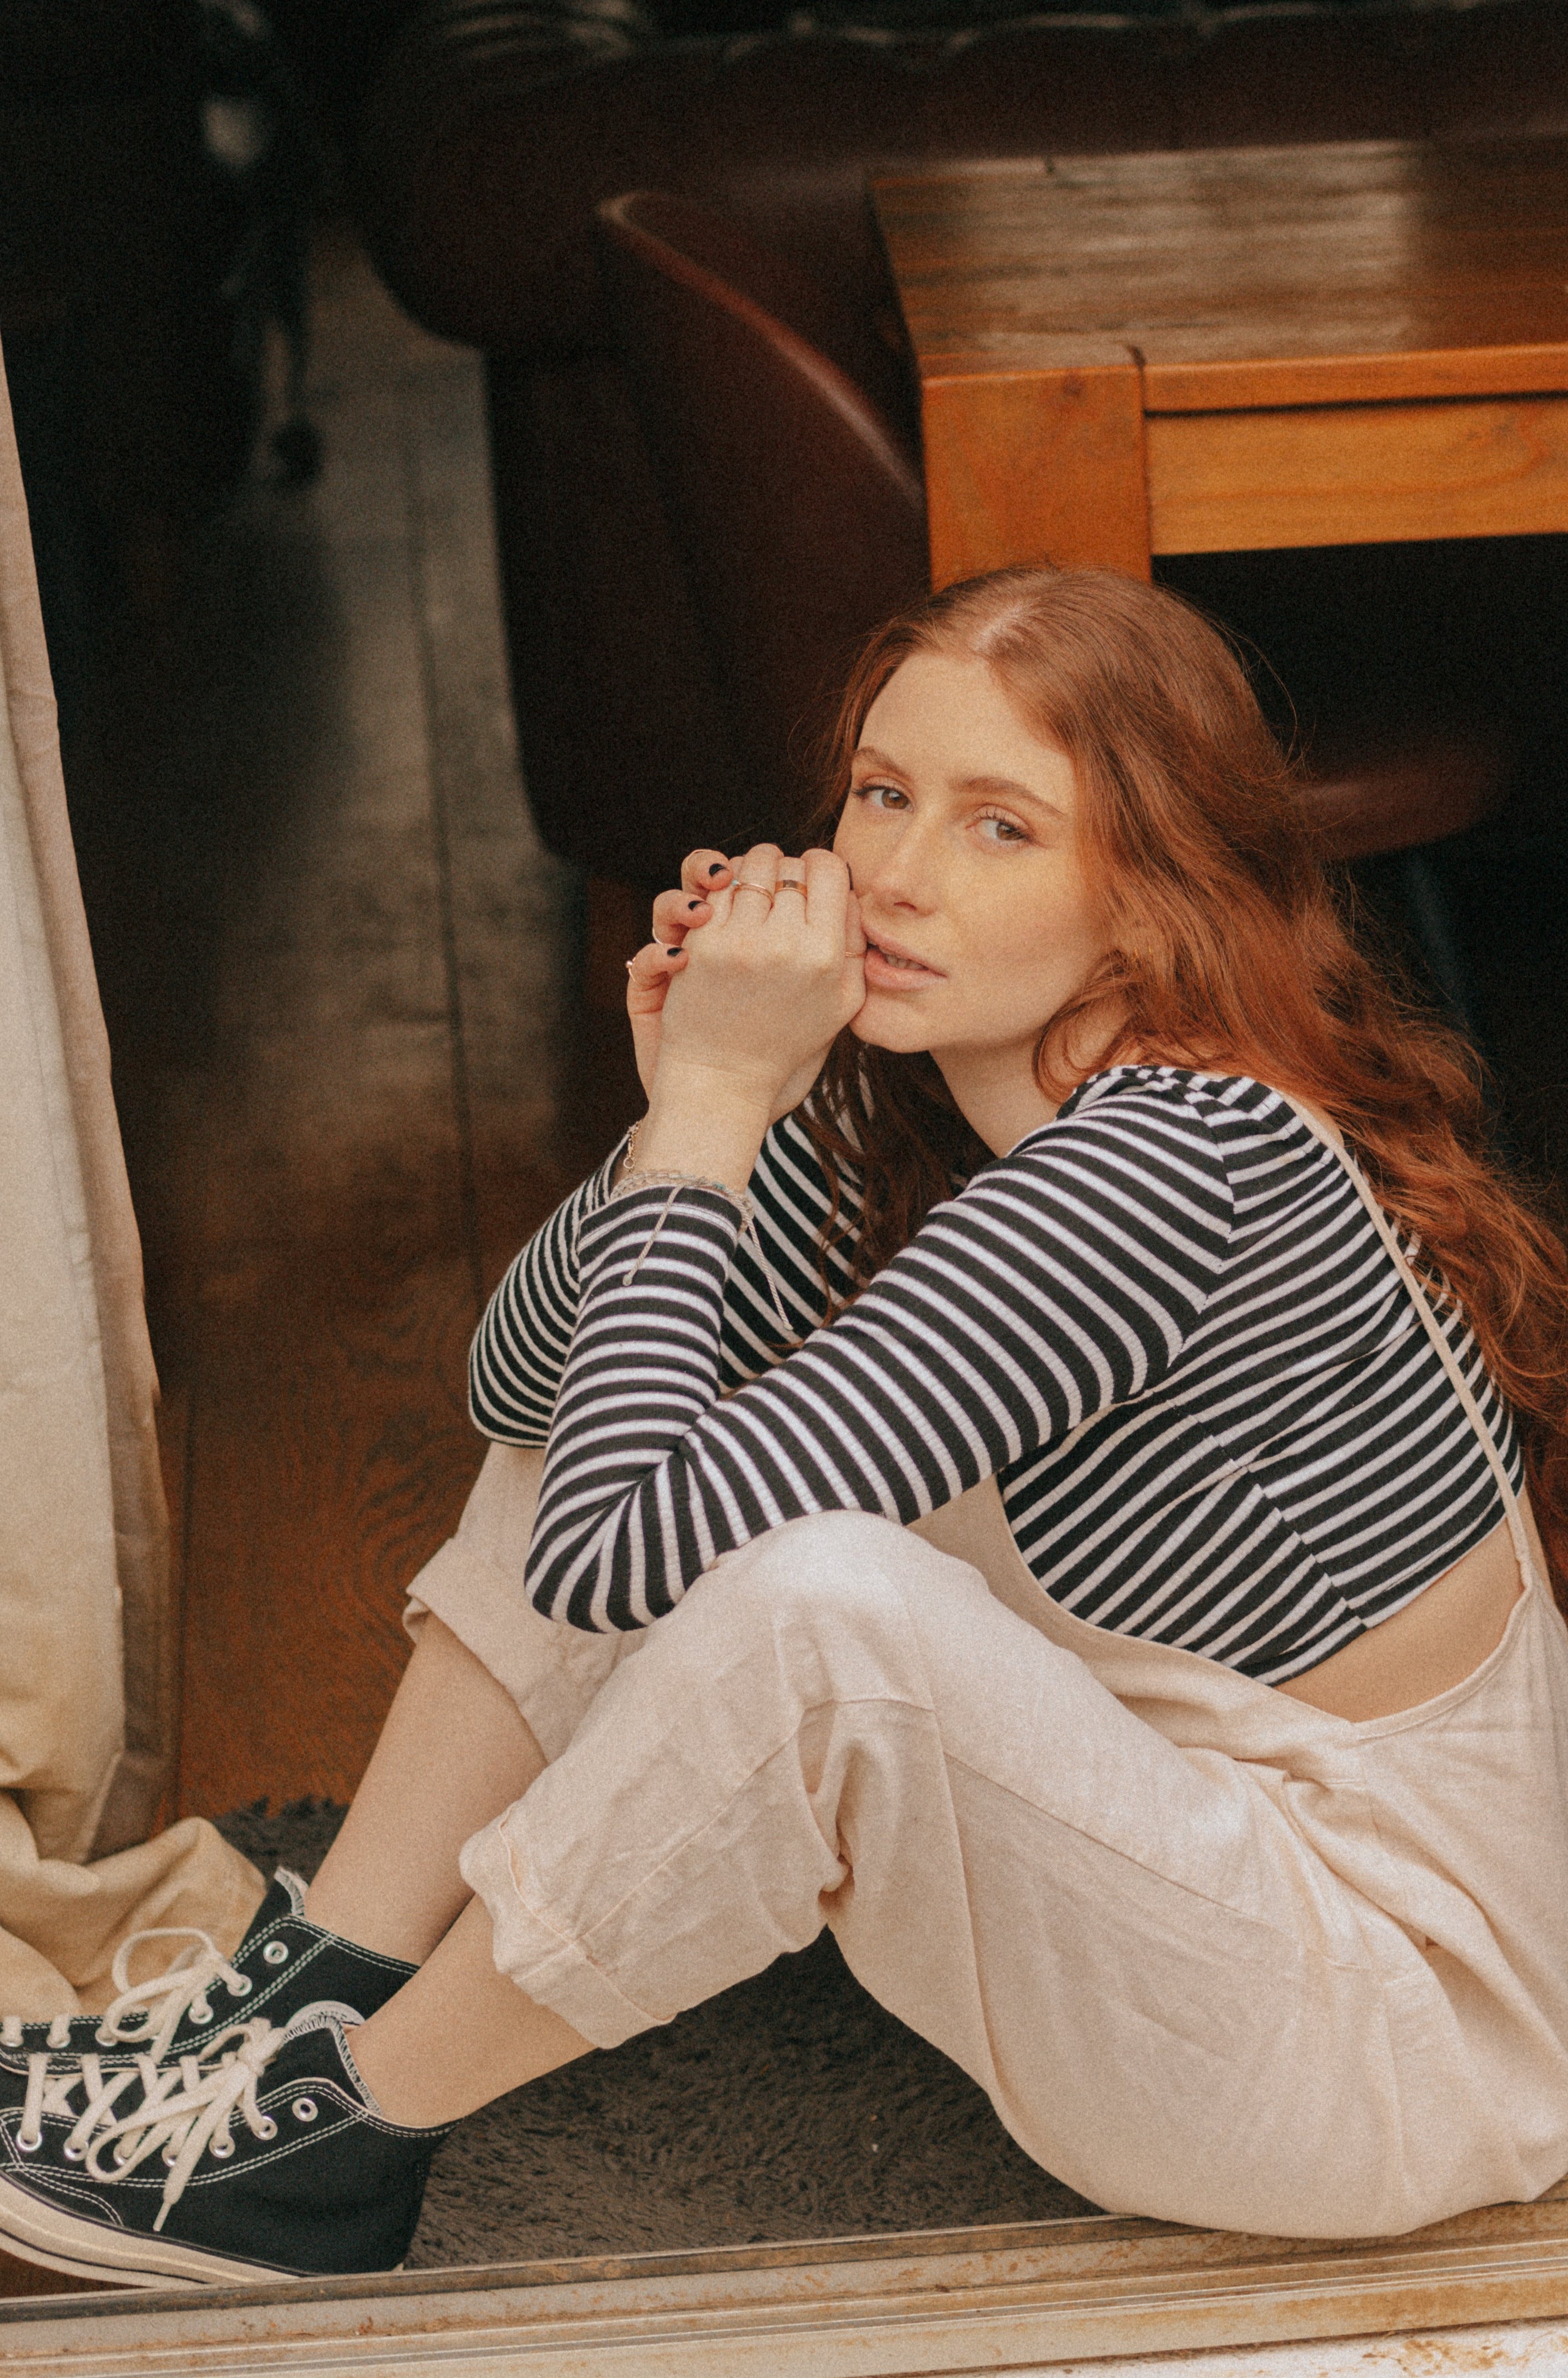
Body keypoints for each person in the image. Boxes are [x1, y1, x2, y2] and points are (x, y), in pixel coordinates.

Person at [5, 565, 1568, 2287]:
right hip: (1197, 1914)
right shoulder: (919, 1107)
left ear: (1148, 902)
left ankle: (331, 2146)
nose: (893, 871)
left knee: (821, 1604)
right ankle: (315, 1989)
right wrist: (689, 1098)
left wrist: (719, 1107)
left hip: (1397, 2042)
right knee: (642, 1390)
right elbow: (522, 1400)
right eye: (885, 794)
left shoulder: (1179, 1166)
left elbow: (619, 1565)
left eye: (1000, 828)